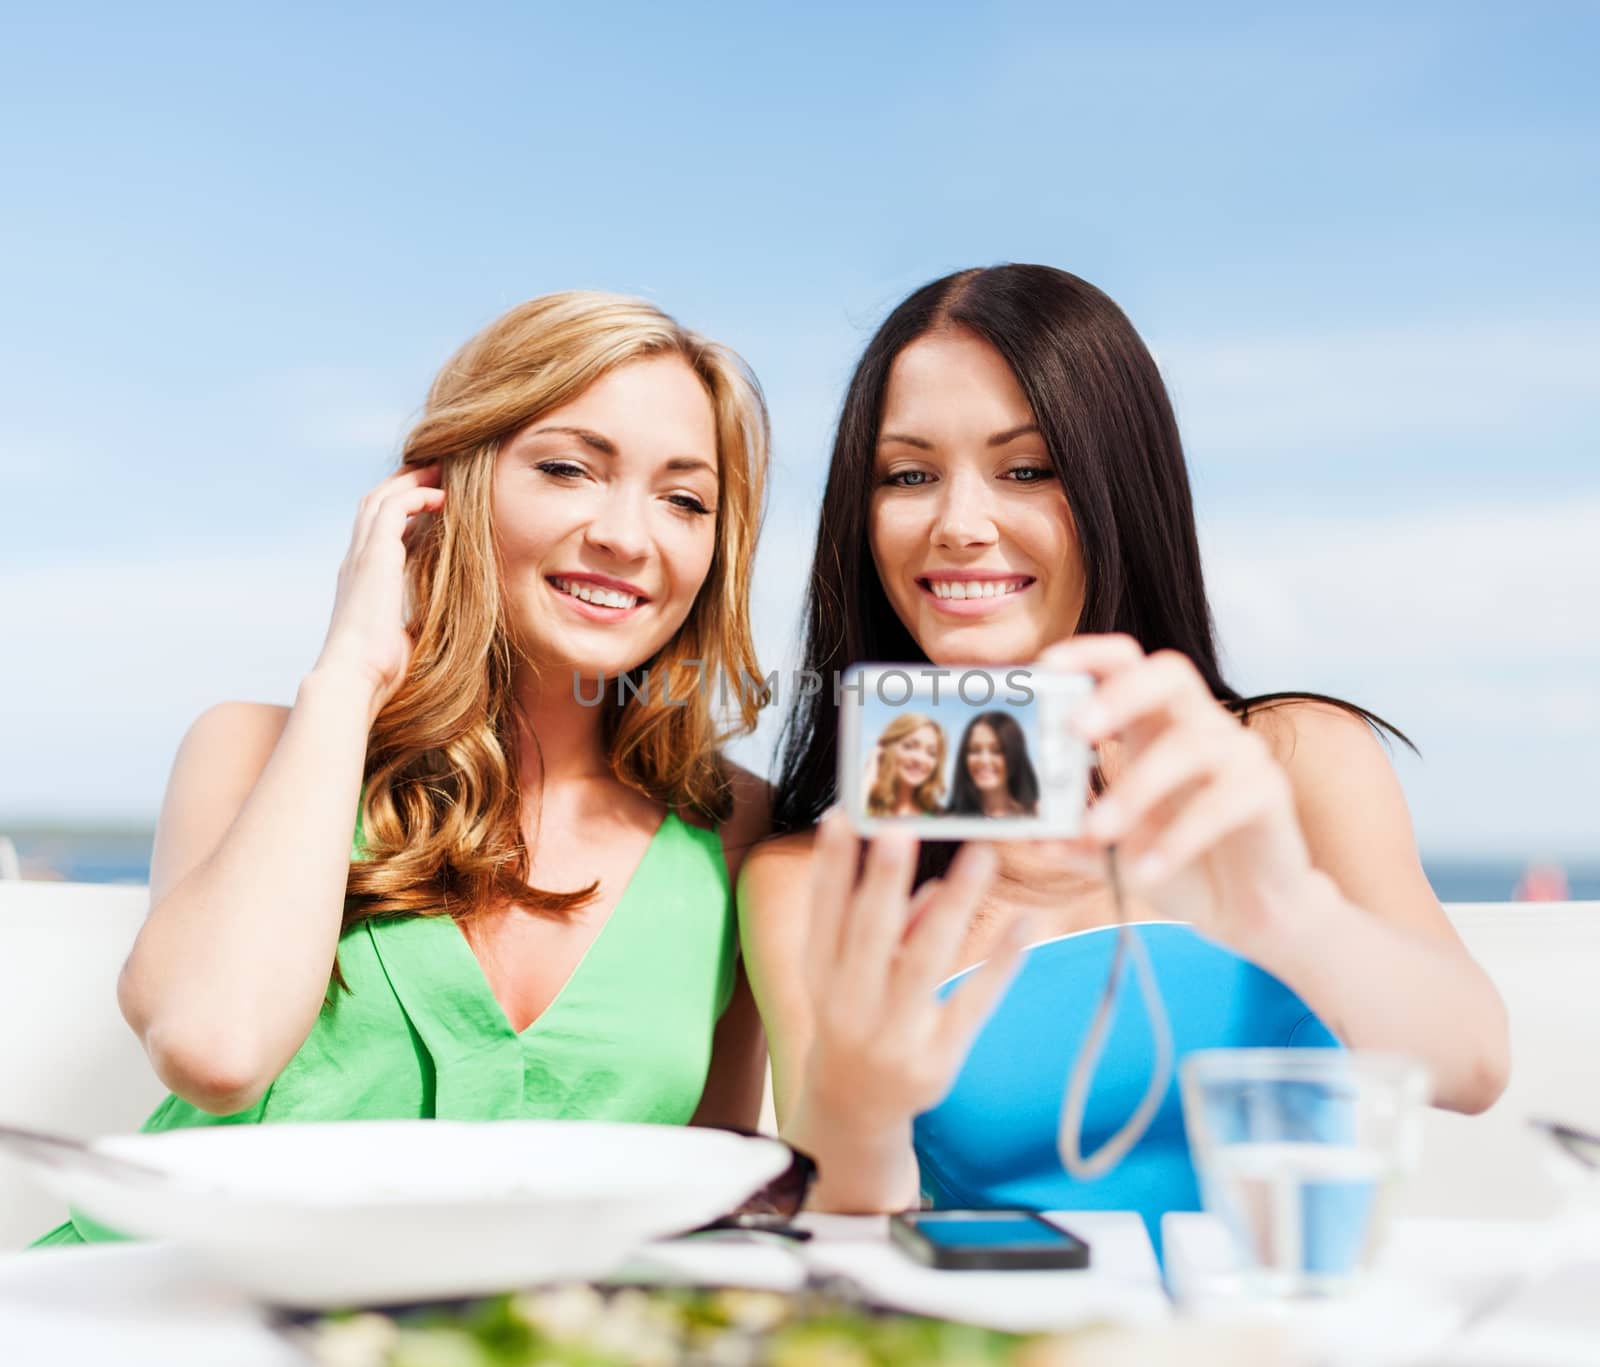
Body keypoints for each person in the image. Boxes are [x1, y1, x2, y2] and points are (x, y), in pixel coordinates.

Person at [740, 264, 1510, 1227]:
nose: (959, 524)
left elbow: (1472, 1064)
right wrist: (860, 1112)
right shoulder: (811, 876)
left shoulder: (1291, 757)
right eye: (908, 474)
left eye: (1028, 468)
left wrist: (1284, 912)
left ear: (1119, 486)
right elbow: (852, 1234)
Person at [38, 292, 772, 1244]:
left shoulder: (733, 824)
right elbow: (214, 1049)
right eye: (567, 468)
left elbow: (705, 1202)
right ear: (441, 489)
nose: (629, 538)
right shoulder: (255, 749)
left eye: (684, 499)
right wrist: (351, 672)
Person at [945, 711, 1039, 818]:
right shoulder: (948, 824)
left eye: (997, 750)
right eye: (974, 750)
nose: (984, 760)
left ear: (1015, 755)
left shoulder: (1040, 816)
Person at [865, 713, 947, 817]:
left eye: (931, 753)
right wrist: (868, 780)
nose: (920, 759)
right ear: (886, 749)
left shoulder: (940, 817)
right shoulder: (863, 807)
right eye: (909, 746)